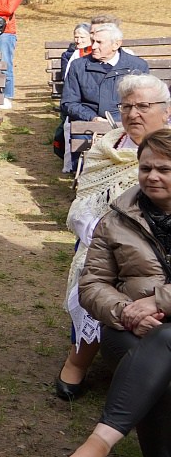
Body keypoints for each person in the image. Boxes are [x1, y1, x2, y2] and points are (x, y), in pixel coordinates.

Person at [59, 130, 171, 457]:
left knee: (165, 347)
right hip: (129, 329)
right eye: (145, 168)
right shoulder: (116, 219)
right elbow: (91, 285)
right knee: (158, 364)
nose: (152, 176)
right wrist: (125, 311)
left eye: (164, 169)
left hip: (157, 326)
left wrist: (156, 303)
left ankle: (100, 444)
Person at [55, 75, 170, 401]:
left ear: (165, 111)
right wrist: (97, 234)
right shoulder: (107, 148)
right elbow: (83, 202)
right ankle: (78, 360)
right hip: (107, 243)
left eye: (143, 106)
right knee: (93, 279)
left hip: (161, 249)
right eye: (127, 106)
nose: (134, 113)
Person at [63, 23, 150, 124]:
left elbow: (143, 102)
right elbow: (69, 102)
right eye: (93, 41)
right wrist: (92, 118)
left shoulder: (137, 66)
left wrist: (120, 121)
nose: (94, 46)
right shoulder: (78, 66)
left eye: (99, 42)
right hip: (87, 125)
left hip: (126, 124)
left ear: (116, 45)